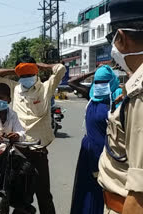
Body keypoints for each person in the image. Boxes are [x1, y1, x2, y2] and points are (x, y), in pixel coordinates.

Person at [0, 56, 66, 214]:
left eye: (28, 73)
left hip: (38, 151)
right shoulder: (15, 88)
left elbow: (60, 69)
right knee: (18, 194)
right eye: (22, 75)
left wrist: (38, 66)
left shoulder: (45, 88)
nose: (25, 78)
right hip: (17, 151)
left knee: (43, 194)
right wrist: (18, 69)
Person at [97, 0, 143, 213]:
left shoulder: (140, 94)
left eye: (112, 38)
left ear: (121, 37)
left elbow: (140, 193)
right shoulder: (133, 86)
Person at [68, 65, 122, 214]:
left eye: (103, 81)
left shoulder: (117, 98)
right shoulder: (91, 95)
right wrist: (93, 72)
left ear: (112, 81)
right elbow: (71, 82)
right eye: (97, 82)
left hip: (106, 154)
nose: (99, 85)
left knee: (103, 194)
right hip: (88, 153)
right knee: (86, 192)